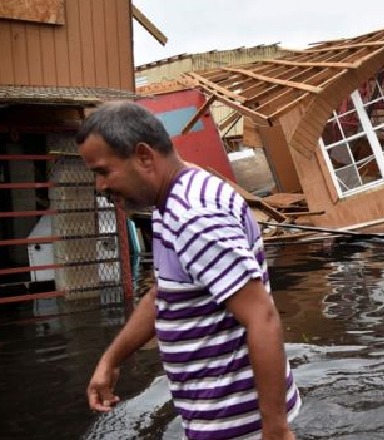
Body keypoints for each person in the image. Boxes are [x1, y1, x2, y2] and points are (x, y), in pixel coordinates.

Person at [79, 102, 301, 440]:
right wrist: (111, 360)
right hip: (218, 417)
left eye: (104, 171)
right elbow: (162, 295)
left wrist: (276, 431)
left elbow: (262, 318)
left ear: (144, 156)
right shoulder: (173, 202)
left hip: (239, 425)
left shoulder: (194, 218)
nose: (100, 186)